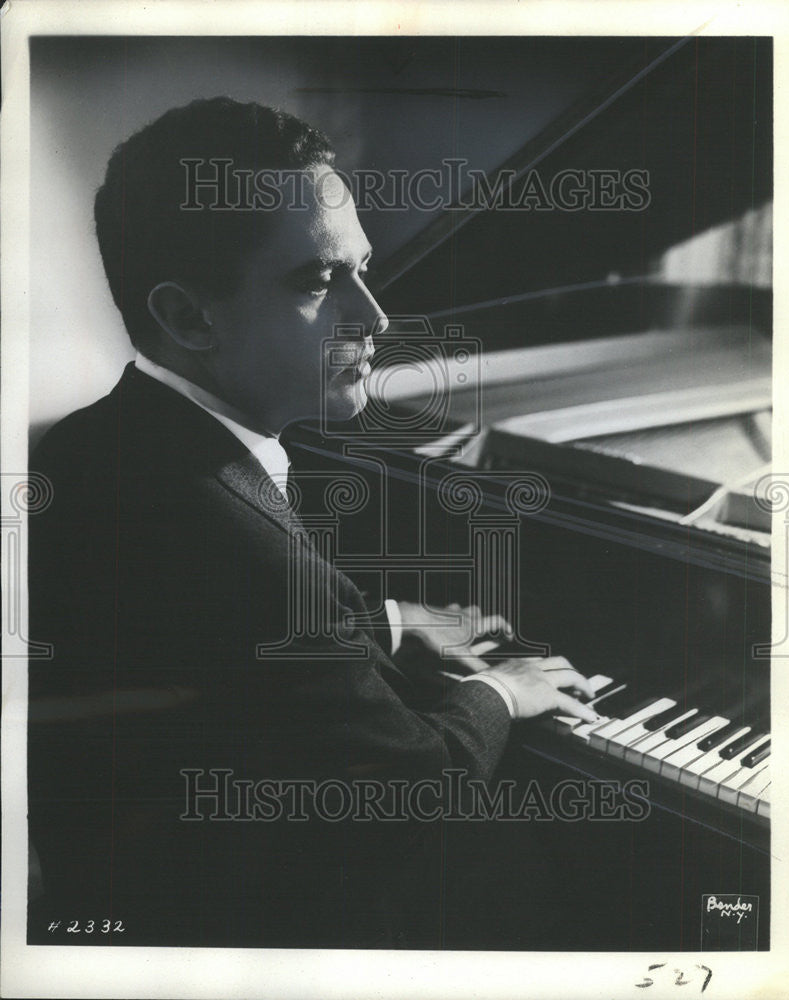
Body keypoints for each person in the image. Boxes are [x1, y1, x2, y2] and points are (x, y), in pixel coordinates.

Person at [27, 97, 598, 948]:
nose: (374, 319)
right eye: (319, 280)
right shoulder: (234, 542)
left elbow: (216, 657)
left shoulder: (93, 442)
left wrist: (385, 623)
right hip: (220, 928)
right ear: (188, 317)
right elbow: (416, 781)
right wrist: (500, 691)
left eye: (363, 268)